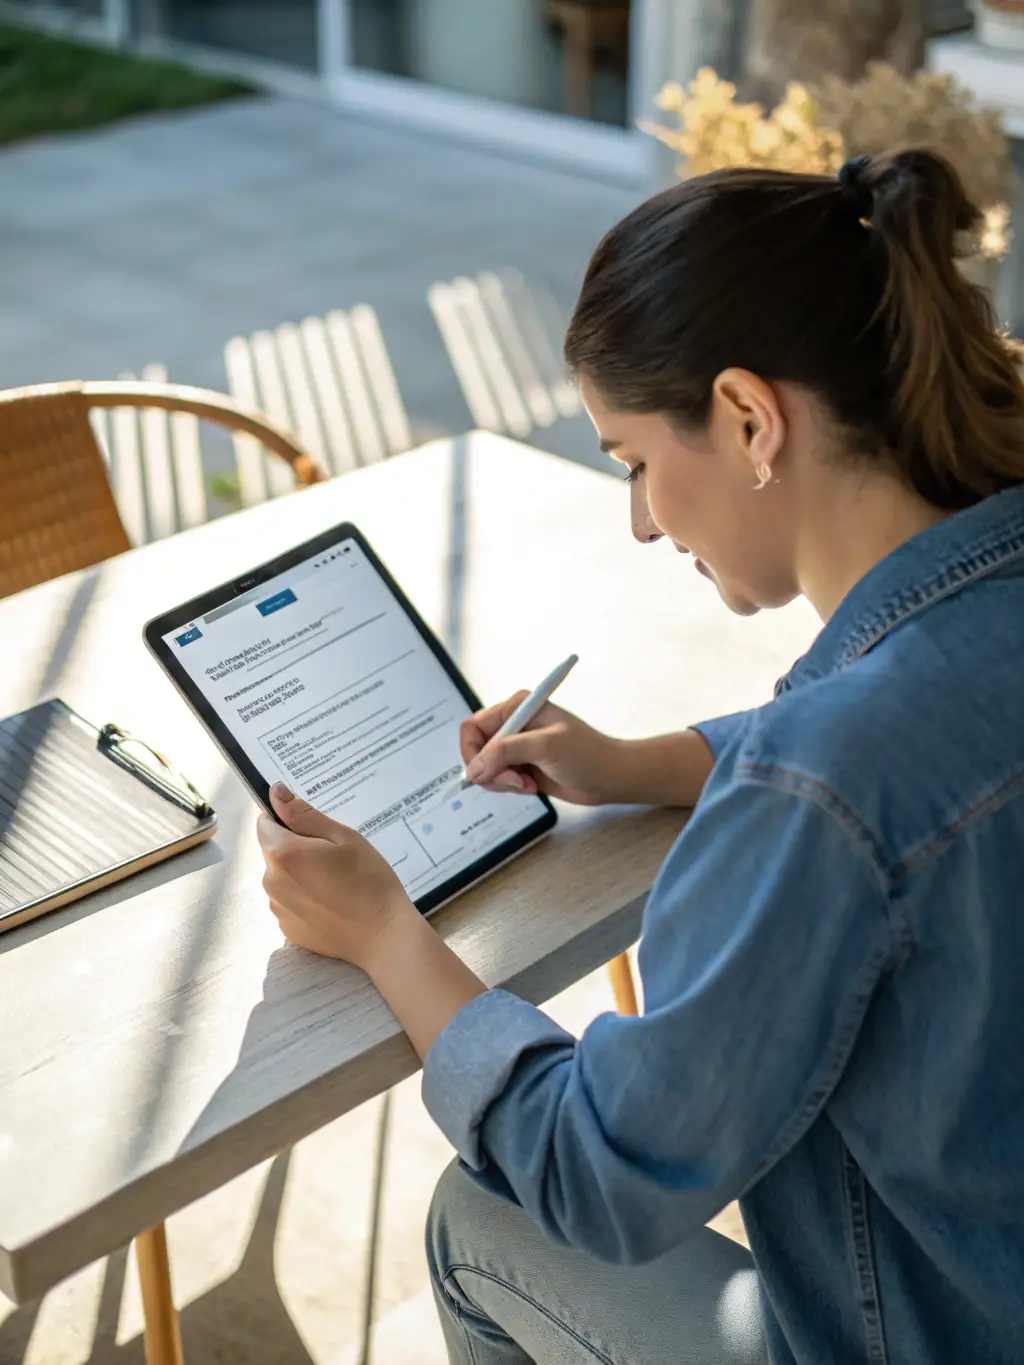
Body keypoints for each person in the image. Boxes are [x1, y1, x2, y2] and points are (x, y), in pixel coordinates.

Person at [256, 149, 1024, 1364]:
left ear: (747, 418)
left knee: (482, 1216)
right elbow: (926, 755)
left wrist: (386, 935)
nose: (642, 522)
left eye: (631, 463)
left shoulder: (822, 782)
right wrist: (644, 763)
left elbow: (595, 1172)